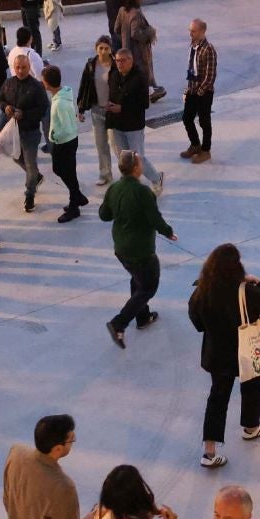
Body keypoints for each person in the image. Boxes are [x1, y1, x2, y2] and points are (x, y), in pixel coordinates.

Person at [190, 245, 260, 468]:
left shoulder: (202, 290)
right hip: (246, 351)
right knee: (251, 389)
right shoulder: (245, 290)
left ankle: (209, 452)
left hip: (217, 355)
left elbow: (197, 321)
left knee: (217, 399)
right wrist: (259, 282)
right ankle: (251, 428)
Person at [99, 151, 176, 347]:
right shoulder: (143, 192)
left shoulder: (114, 188)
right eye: (140, 162)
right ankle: (119, 323)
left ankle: (142, 317)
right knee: (148, 287)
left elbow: (104, 215)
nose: (142, 165)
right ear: (135, 169)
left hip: (121, 249)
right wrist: (168, 232)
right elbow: (155, 218)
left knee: (137, 278)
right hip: (141, 250)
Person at [107, 47, 161, 194]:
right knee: (123, 158)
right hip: (117, 124)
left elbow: (144, 103)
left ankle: (156, 179)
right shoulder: (114, 75)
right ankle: (130, 184)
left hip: (133, 126)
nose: (119, 64)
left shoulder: (140, 78)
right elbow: (111, 94)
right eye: (117, 60)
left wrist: (122, 107)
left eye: (123, 60)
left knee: (138, 158)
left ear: (131, 61)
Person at [1, 51, 50, 213]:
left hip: (30, 131)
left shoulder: (36, 87)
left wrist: (25, 115)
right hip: (13, 131)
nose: (20, 70)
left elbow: (43, 108)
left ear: (29, 67)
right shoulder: (8, 83)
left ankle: (29, 195)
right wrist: (5, 107)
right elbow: (0, 98)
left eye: (23, 67)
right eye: (18, 67)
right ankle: (35, 175)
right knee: (14, 155)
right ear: (14, 68)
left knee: (30, 163)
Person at [44, 64, 91, 222]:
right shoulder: (63, 94)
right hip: (69, 139)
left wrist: (54, 136)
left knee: (60, 169)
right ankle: (75, 199)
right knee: (68, 171)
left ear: (47, 84)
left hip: (64, 141)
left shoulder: (59, 103)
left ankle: (75, 199)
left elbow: (63, 126)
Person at [77, 37, 119, 188]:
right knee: (100, 145)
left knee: (116, 145)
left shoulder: (116, 65)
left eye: (106, 48)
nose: (103, 51)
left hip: (112, 112)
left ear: (111, 49)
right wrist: (81, 109)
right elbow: (84, 86)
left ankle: (128, 174)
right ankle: (105, 174)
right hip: (96, 111)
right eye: (100, 48)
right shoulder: (91, 65)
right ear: (96, 49)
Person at [180, 19, 218, 163]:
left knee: (204, 121)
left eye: (193, 31)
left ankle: (206, 150)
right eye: (190, 30)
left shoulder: (208, 49)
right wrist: (188, 90)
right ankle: (195, 145)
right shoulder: (194, 46)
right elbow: (191, 69)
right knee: (187, 118)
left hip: (204, 92)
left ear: (202, 31)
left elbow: (210, 76)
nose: (190, 33)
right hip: (192, 89)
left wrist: (199, 92)